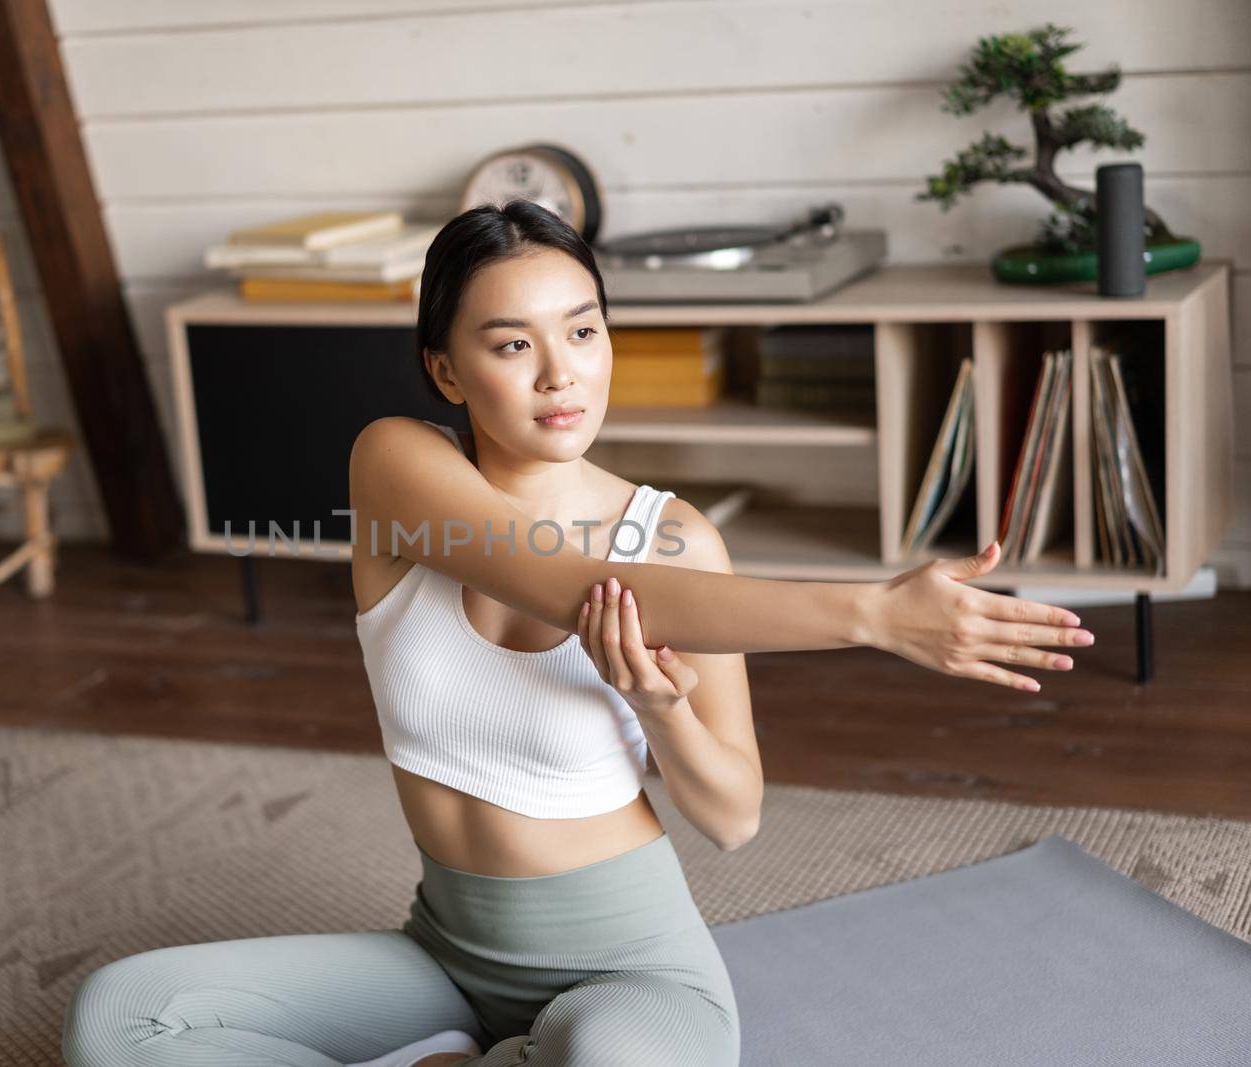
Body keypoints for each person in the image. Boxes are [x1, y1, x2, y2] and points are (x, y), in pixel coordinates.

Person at [60, 200, 1093, 1067]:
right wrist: (869, 611)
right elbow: (570, 580)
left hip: (629, 975)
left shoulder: (678, 542)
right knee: (121, 1016)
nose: (561, 372)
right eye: (512, 342)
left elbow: (733, 815)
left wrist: (661, 707)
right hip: (445, 953)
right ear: (448, 370)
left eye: (584, 329)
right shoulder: (393, 465)